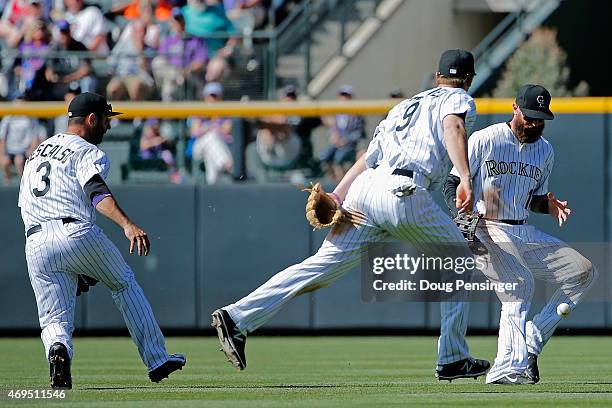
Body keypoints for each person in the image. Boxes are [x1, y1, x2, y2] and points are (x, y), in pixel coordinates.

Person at [211, 49, 491, 381]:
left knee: (319, 269)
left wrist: (337, 193)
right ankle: (453, 358)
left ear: (436, 76)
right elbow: (453, 127)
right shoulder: (458, 98)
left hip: (366, 189)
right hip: (402, 192)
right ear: (469, 79)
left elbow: (367, 158)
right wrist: (467, 179)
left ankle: (236, 318)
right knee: (458, 257)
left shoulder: (404, 106)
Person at [18, 92, 186, 389]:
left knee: (54, 318)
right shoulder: (86, 150)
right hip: (75, 231)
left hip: (35, 239)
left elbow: (24, 204)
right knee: (123, 284)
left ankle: (58, 350)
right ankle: (156, 359)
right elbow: (96, 191)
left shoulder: (37, 151)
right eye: (106, 119)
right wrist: (127, 224)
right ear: (92, 119)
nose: (108, 127)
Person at [443, 84, 597, 384]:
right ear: (515, 108)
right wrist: (458, 213)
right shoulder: (485, 139)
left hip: (524, 230)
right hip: (486, 227)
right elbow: (451, 184)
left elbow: (532, 199)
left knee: (584, 272)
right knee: (520, 283)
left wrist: (547, 205)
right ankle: (506, 367)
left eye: (540, 118)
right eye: (530, 116)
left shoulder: (545, 150)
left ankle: (531, 341)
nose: (535, 123)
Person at [152, 7, 208, 101]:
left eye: (180, 20)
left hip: (189, 76)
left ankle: (169, 112)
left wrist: (186, 70)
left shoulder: (195, 39)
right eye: (175, 20)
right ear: (171, 22)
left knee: (171, 83)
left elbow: (200, 61)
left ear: (184, 21)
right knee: (159, 65)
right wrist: (177, 73)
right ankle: (169, 112)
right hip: (172, 75)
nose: (178, 23)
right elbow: (162, 60)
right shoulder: (168, 40)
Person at [188, 82, 233, 184]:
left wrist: (213, 123)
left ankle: (212, 186)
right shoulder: (200, 112)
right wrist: (210, 127)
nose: (213, 99)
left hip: (220, 146)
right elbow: (194, 132)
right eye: (210, 96)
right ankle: (228, 165)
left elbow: (227, 130)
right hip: (199, 147)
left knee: (210, 151)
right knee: (211, 137)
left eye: (216, 96)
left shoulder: (226, 112)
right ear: (205, 97)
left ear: (221, 97)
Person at [319, 85, 365, 182]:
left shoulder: (356, 115)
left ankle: (342, 183)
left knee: (339, 159)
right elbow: (331, 130)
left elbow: (359, 133)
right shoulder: (336, 113)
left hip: (349, 145)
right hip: (336, 144)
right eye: (342, 95)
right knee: (324, 157)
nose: (344, 98)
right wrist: (333, 137)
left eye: (347, 96)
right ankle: (334, 180)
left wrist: (346, 140)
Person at [0, 93, 46, 183]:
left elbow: (34, 138)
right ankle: (8, 183)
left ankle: (22, 184)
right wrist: (2, 154)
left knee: (19, 161)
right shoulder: (8, 117)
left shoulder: (31, 118)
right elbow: (2, 139)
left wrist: (32, 152)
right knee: (5, 162)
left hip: (23, 150)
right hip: (10, 149)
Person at [45, 19, 96, 98]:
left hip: (75, 80)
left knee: (88, 81)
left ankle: (87, 105)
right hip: (60, 81)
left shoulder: (79, 46)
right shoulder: (54, 47)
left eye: (65, 32)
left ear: (69, 32)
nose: (64, 35)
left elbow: (85, 70)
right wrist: (54, 77)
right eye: (62, 32)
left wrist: (68, 79)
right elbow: (49, 71)